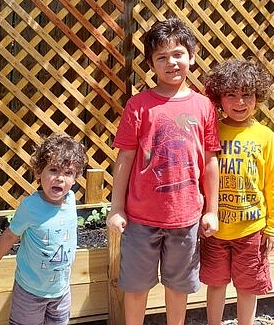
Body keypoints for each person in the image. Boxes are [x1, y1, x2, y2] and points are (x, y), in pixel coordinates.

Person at [107, 17, 220, 325]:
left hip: (185, 219)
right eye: (161, 57)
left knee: (178, 286)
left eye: (178, 54)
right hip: (141, 219)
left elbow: (210, 161)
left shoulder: (204, 107)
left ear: (192, 56)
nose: (171, 62)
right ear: (151, 64)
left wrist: (213, 210)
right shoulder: (138, 106)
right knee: (135, 287)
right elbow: (124, 159)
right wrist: (116, 208)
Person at [0, 133, 86, 325]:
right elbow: (10, 236)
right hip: (30, 291)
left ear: (76, 177)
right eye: (53, 170)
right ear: (38, 172)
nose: (60, 179)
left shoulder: (71, 200)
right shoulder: (30, 206)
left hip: (61, 290)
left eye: (68, 173)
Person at [200, 59, 274, 325]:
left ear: (257, 96)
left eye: (246, 95)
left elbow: (273, 183)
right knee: (216, 284)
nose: (239, 102)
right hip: (215, 229)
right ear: (219, 97)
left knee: (248, 287)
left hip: (252, 230)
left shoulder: (264, 135)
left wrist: (273, 227)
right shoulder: (211, 130)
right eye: (231, 95)